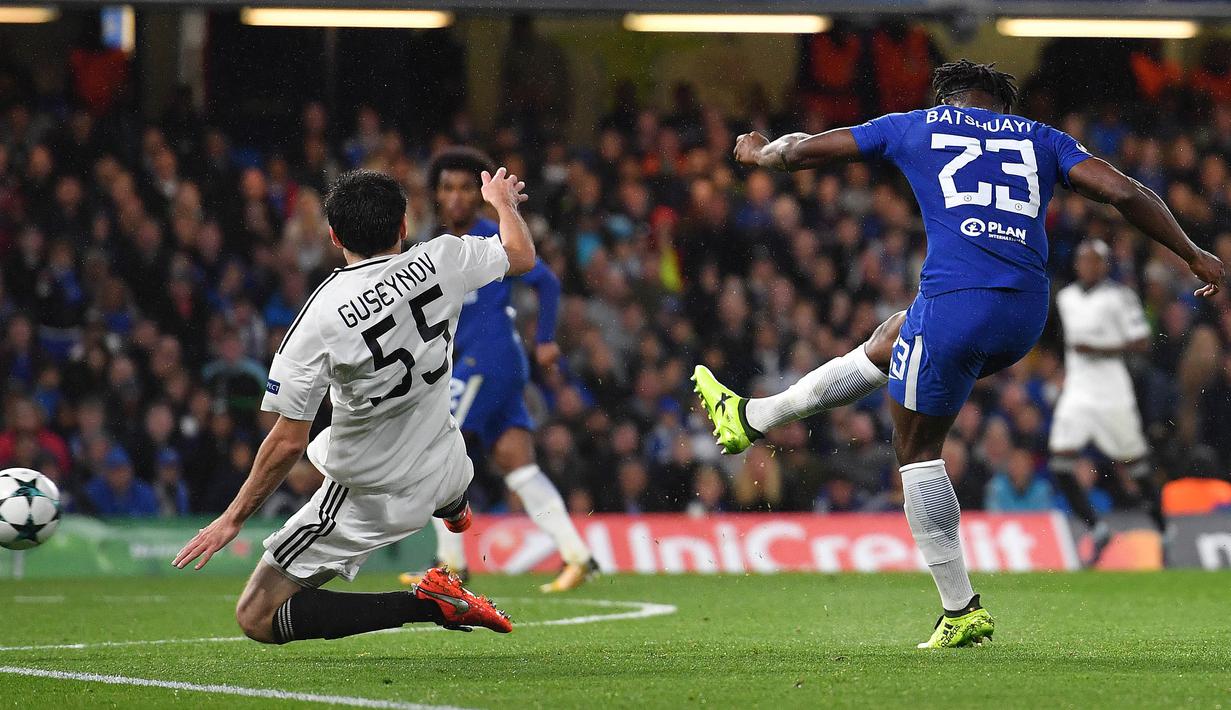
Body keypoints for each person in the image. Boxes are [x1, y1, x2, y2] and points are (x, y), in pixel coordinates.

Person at [692, 60, 1223, 648]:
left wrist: (763, 154)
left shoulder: (918, 124)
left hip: (956, 305)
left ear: (948, 96)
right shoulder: (1042, 138)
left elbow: (807, 150)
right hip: (1024, 312)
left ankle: (960, 608)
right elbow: (1124, 191)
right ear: (1002, 105)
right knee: (893, 337)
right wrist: (1193, 253)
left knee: (917, 449)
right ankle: (752, 417)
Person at [172, 166, 539, 643]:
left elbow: (286, 442)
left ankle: (428, 601)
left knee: (257, 617)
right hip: (442, 456)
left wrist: (232, 518)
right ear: (403, 226)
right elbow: (522, 255)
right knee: (446, 456)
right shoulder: (444, 257)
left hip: (367, 491)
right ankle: (453, 501)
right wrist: (502, 203)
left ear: (333, 235)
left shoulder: (320, 316)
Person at [399, 148, 595, 593]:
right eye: (447, 188)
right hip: (488, 364)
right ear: (436, 193)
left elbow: (546, 280)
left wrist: (546, 338)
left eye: (466, 187)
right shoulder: (430, 243)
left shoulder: (492, 235)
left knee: (433, 447)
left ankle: (450, 567)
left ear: (480, 193)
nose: (456, 197)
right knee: (517, 462)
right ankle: (576, 556)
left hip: (484, 360)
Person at [1050, 239, 1164, 566]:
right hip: (1078, 390)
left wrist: (1099, 349)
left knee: (1135, 465)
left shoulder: (1120, 297)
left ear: (1105, 265)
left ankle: (1163, 527)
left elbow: (1142, 342)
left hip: (1113, 389)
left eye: (1095, 261)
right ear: (1076, 265)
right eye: (1084, 260)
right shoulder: (1065, 297)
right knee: (1060, 463)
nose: (1089, 266)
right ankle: (1096, 527)